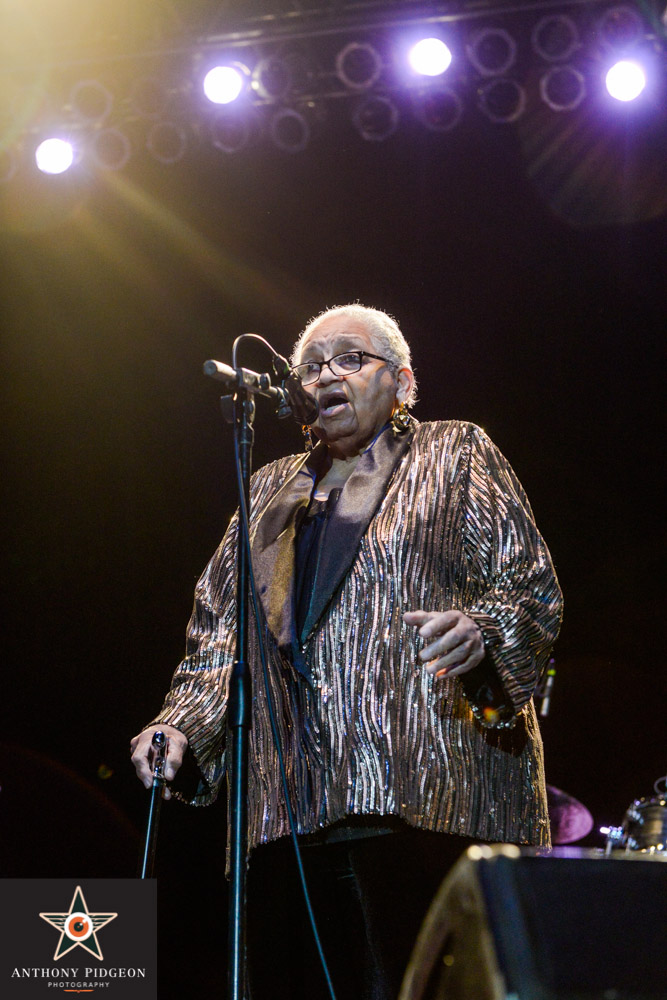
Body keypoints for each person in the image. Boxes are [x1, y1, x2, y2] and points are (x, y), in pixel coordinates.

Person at [131, 304, 562, 1000]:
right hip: (288, 813)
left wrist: (481, 631)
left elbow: (528, 588)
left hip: (423, 796)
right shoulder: (267, 491)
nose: (326, 374)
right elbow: (220, 636)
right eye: (311, 365)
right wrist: (179, 724)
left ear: (403, 382)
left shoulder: (453, 453)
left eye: (350, 359)